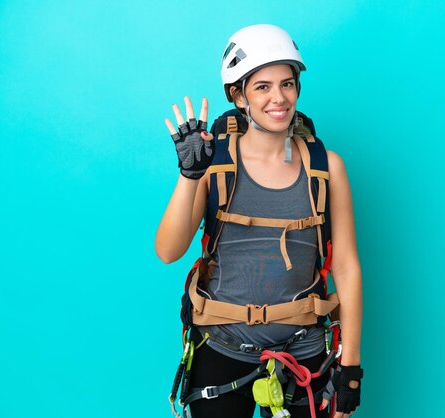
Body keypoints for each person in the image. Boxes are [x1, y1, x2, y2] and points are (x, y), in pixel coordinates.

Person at [156, 24, 363, 418]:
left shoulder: (327, 167)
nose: (279, 98)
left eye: (287, 84)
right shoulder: (212, 161)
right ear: (238, 95)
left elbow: (347, 267)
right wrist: (189, 176)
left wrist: (350, 369)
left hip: (303, 353)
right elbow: (168, 251)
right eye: (263, 87)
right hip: (222, 347)